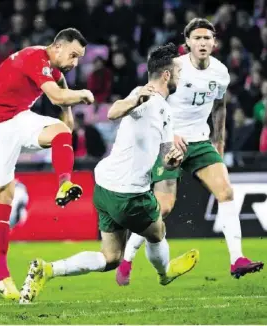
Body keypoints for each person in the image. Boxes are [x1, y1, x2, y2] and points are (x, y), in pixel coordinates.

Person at [19, 43, 199, 304]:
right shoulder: (144, 95)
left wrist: (173, 157)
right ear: (167, 75)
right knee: (157, 231)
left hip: (104, 187)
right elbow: (114, 111)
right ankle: (165, 273)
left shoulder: (164, 110)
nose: (181, 78)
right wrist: (135, 99)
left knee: (110, 257)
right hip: (128, 194)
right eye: (179, 73)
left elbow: (165, 156)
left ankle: (47, 270)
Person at [117, 18, 264, 286]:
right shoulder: (174, 69)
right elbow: (153, 100)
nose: (203, 43)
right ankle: (127, 258)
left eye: (207, 38)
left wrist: (219, 142)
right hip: (168, 142)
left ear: (214, 42)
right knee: (163, 207)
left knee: (227, 192)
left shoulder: (220, 73)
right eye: (197, 38)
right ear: (187, 43)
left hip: (200, 141)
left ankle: (237, 259)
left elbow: (220, 107)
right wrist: (165, 133)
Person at [0, 28, 95, 300]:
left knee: (59, 132)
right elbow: (56, 96)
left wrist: (66, 121)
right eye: (73, 55)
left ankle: (65, 184)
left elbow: (62, 94)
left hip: (19, 118)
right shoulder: (35, 57)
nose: (75, 62)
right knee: (2, 197)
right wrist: (83, 95)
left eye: (79, 58)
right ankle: (0, 275)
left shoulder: (54, 69)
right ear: (57, 47)